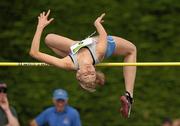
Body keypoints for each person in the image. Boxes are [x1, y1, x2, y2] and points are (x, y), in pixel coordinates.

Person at [29, 10, 137, 118]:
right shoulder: (99, 52)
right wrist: (97, 24)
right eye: (92, 74)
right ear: (95, 71)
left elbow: (34, 53)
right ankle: (129, 96)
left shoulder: (67, 63)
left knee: (48, 39)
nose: (89, 71)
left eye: (86, 75)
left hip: (75, 50)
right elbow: (103, 34)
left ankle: (75, 47)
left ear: (78, 73)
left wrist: (40, 26)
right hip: (106, 45)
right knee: (132, 50)